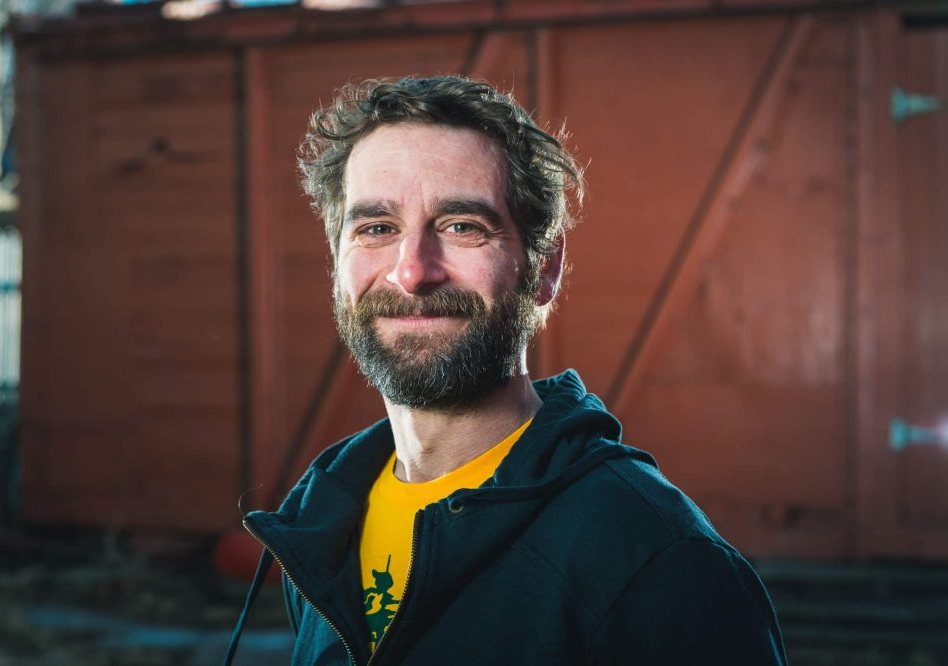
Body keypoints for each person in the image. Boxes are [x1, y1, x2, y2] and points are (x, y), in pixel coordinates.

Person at [224, 75, 787, 666]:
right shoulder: (323, 523)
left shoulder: (658, 559)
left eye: (462, 226)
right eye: (376, 229)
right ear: (338, 260)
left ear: (544, 268)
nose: (413, 272)